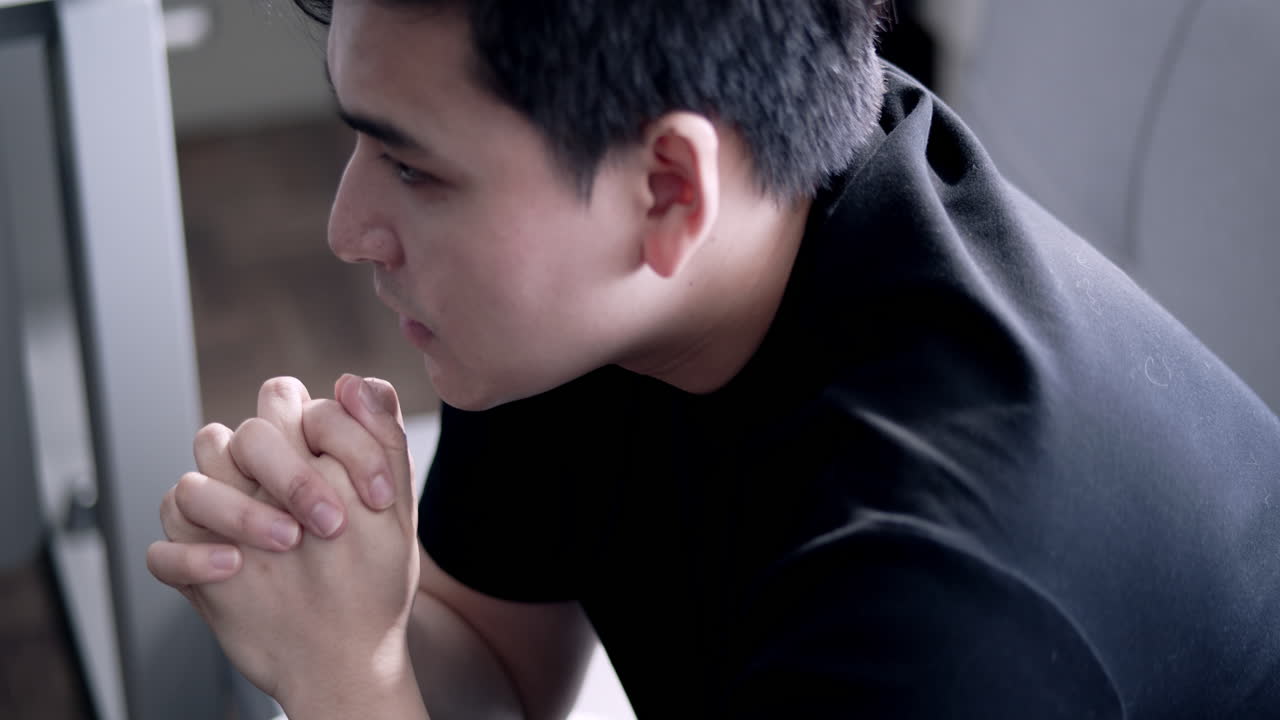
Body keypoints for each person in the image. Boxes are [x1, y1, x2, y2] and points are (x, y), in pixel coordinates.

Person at [148, 0, 1280, 718]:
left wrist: (344, 690)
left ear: (668, 191)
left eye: (416, 171)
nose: (345, 229)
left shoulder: (937, 607)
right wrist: (362, 616)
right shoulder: (608, 288)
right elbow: (496, 668)